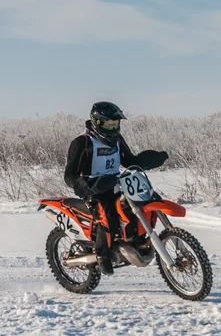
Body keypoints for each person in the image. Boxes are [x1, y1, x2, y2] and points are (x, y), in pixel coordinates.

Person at [64, 101, 168, 275]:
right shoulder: (82, 143)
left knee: (147, 200)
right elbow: (69, 174)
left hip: (116, 183)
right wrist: (84, 185)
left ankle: (138, 239)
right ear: (97, 122)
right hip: (95, 189)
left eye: (116, 123)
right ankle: (102, 254)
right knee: (108, 216)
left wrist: (153, 159)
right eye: (109, 123)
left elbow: (129, 160)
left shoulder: (117, 140)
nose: (113, 127)